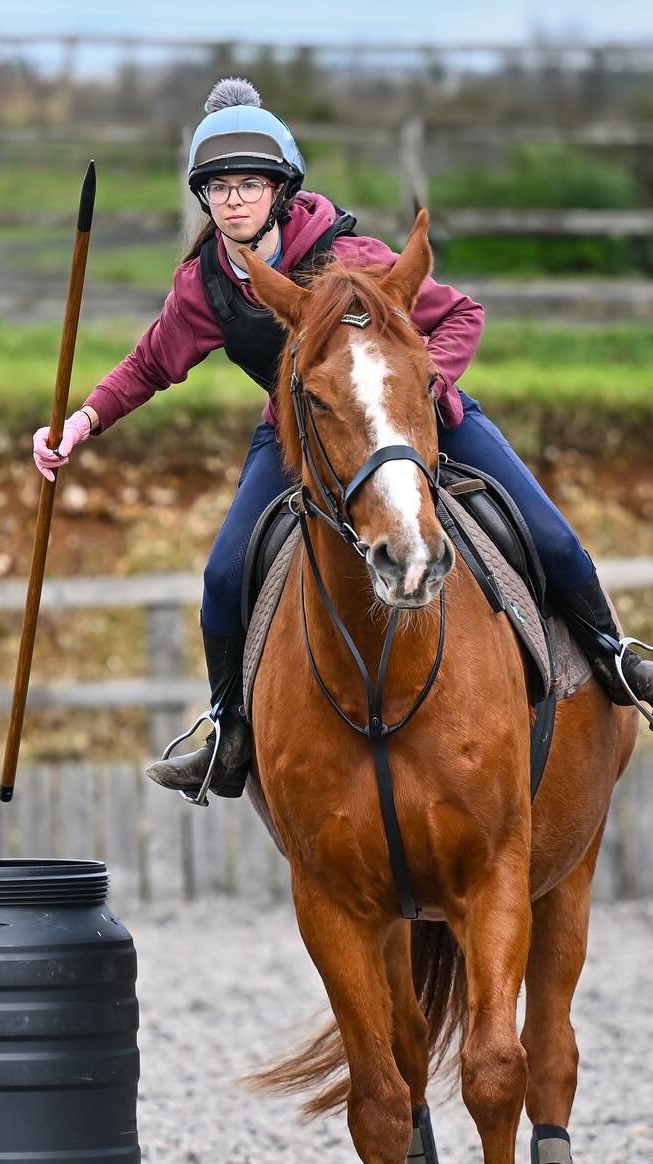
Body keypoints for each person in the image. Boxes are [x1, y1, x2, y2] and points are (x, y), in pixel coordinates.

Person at [33, 77, 653, 801]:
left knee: (547, 533)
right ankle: (229, 731)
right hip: (299, 435)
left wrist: (427, 392)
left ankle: (615, 658)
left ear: (281, 189)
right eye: (219, 187)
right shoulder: (203, 286)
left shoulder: (352, 251)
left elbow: (460, 315)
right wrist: (78, 423)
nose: (234, 199)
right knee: (225, 575)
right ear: (204, 199)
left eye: (249, 184)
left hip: (422, 416)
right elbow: (149, 364)